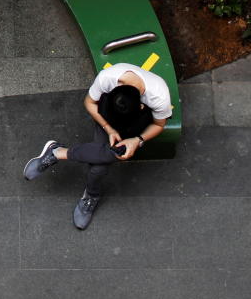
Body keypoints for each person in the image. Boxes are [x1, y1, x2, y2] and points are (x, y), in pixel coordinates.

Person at [22, 62, 173, 229]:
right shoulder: (107, 78)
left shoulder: (159, 95)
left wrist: (137, 140)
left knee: (103, 164)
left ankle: (57, 152)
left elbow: (159, 125)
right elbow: (89, 103)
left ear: (141, 105)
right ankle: (91, 193)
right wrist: (108, 128)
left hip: (134, 125)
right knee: (101, 166)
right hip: (107, 119)